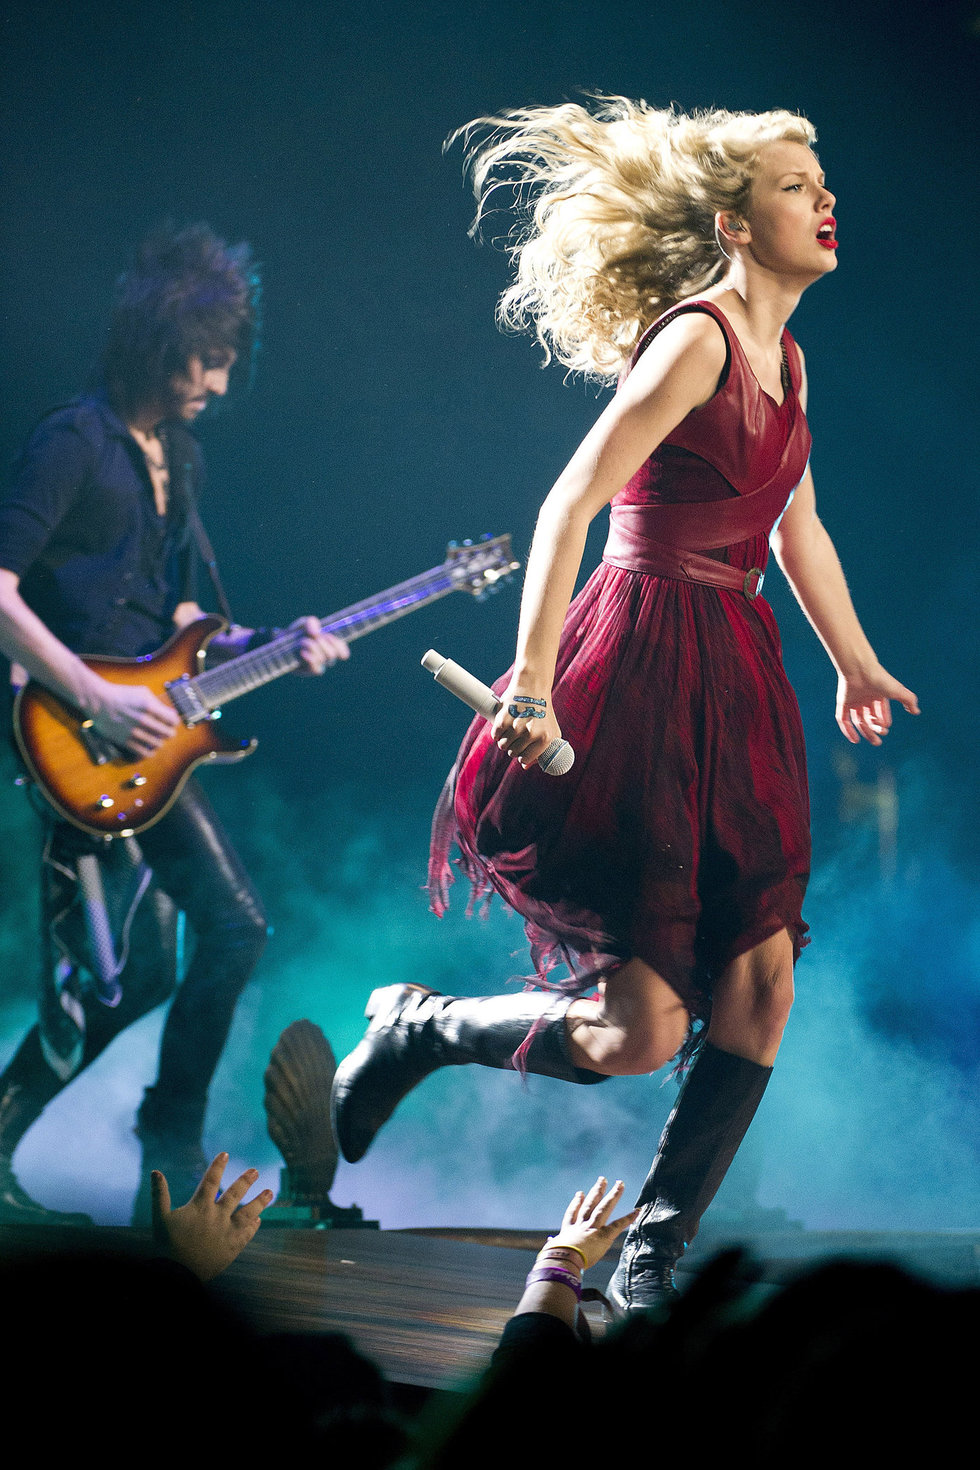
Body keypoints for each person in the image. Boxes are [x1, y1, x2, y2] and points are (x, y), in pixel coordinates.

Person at [331, 97, 918, 1310]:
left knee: (761, 977)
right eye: (792, 184)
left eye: (820, 179)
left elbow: (791, 522)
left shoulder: (786, 359)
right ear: (730, 223)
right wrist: (534, 678)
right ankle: (423, 1025)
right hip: (644, 660)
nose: (822, 199)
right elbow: (567, 505)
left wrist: (853, 663)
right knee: (639, 1034)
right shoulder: (694, 340)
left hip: (736, 672)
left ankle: (652, 1243)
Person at [0, 222, 348, 1224]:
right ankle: (161, 1144)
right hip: (66, 737)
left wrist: (279, 642)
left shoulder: (176, 458)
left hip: (145, 743)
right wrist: (96, 697)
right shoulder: (74, 442)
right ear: (161, 346)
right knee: (159, 956)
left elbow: (188, 620)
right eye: (207, 361)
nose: (219, 383)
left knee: (201, 945)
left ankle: (162, 1138)